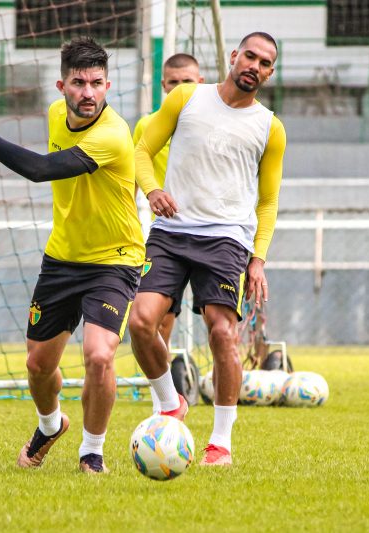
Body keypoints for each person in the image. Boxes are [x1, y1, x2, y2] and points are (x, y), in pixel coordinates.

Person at [0, 37, 144, 474]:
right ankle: (51, 425)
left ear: (108, 85)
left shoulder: (113, 133)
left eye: (96, 83)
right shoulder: (56, 115)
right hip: (62, 259)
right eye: (78, 83)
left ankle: (92, 452)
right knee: (38, 365)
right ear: (62, 86)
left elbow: (39, 170)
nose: (88, 93)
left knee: (99, 354)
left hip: (115, 259)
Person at [130, 32, 286, 466]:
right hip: (171, 231)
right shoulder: (186, 98)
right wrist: (153, 189)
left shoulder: (270, 128)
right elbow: (142, 150)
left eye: (266, 63)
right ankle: (169, 404)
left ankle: (220, 441)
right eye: (250, 56)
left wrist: (258, 259)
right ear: (233, 56)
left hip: (226, 239)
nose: (255, 65)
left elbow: (268, 201)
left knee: (221, 331)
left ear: (270, 73)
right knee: (141, 321)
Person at [132, 53, 203, 413]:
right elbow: (131, 177)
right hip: (163, 238)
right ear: (163, 86)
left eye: (187, 82)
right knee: (156, 319)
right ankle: (164, 396)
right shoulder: (147, 126)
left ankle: (203, 397)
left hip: (210, 238)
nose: (179, 89)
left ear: (200, 83)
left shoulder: (210, 125)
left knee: (214, 324)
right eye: (173, 82)